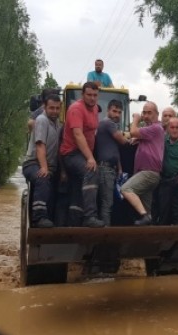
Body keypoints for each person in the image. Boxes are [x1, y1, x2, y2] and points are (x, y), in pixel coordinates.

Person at [59, 82, 105, 228]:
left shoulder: (95, 109)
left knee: (79, 189)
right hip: (71, 154)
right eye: (89, 95)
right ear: (82, 95)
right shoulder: (76, 109)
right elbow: (78, 135)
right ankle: (90, 216)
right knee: (91, 171)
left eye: (95, 95)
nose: (92, 98)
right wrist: (90, 158)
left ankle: (74, 224)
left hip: (83, 154)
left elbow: (93, 134)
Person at [120, 102, 165, 226]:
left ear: (157, 114)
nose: (145, 116)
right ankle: (149, 235)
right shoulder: (150, 130)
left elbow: (133, 131)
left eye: (149, 113)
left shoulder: (155, 127)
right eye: (144, 113)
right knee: (146, 209)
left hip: (148, 172)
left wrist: (135, 119)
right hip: (146, 173)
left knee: (126, 189)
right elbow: (135, 136)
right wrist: (137, 138)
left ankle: (145, 217)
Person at [22, 94, 62, 228]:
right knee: (42, 178)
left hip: (49, 165)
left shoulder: (57, 124)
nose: (55, 111)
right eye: (52, 108)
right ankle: (38, 218)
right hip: (32, 163)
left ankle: (53, 218)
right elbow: (40, 145)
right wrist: (44, 168)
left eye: (57, 108)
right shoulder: (42, 120)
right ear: (44, 107)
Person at [95, 99, 129, 227]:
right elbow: (122, 141)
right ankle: (105, 234)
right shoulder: (107, 123)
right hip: (105, 168)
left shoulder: (112, 126)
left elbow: (115, 150)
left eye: (119, 112)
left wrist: (119, 168)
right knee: (107, 202)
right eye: (114, 111)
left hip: (112, 168)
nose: (117, 115)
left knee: (110, 202)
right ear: (108, 110)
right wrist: (134, 139)